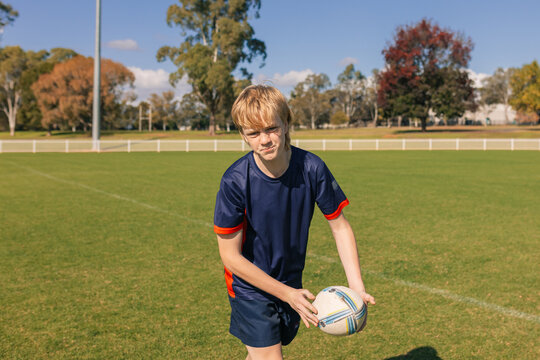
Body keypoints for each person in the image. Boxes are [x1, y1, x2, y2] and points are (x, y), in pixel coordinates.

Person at [214, 85, 375, 360]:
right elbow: (230, 256)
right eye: (253, 133)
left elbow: (340, 226)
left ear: (286, 123)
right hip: (249, 286)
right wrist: (286, 294)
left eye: (271, 129)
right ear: (243, 135)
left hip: (291, 280)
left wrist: (356, 286)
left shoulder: (312, 167)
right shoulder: (235, 182)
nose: (264, 140)